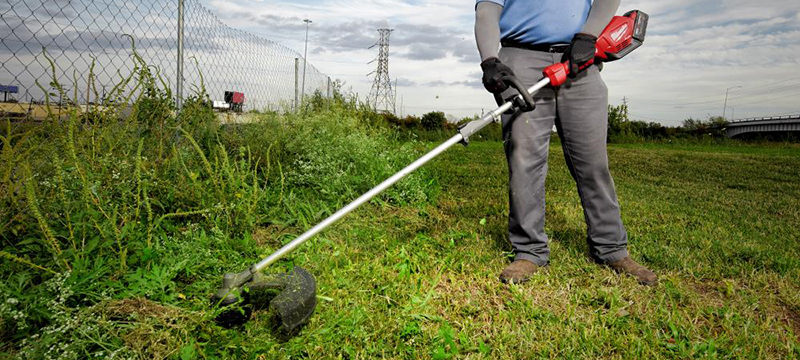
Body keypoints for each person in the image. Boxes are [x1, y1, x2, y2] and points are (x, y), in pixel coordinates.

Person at [474, 0, 657, 285]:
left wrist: (588, 35)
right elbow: (486, 12)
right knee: (524, 160)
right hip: (520, 61)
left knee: (593, 163)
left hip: (580, 56)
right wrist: (489, 60)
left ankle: (611, 248)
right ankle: (529, 251)